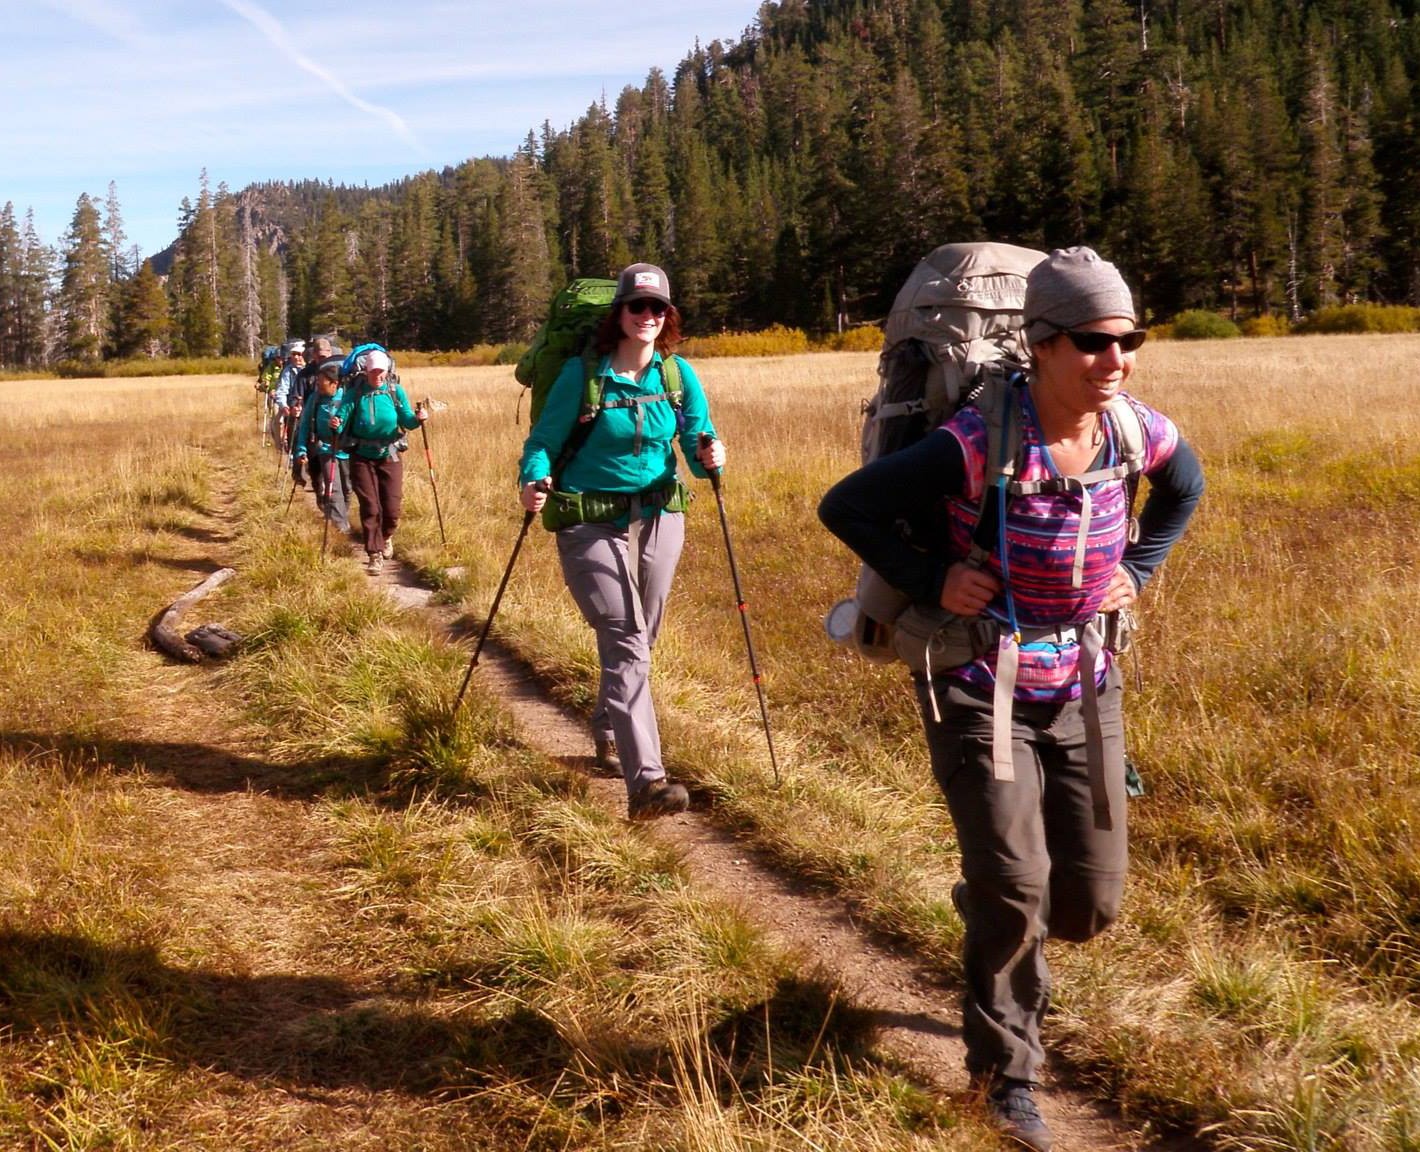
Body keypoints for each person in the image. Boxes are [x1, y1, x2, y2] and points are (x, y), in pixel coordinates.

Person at [818, 247, 1203, 1152]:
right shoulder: (977, 439)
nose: (1116, 360)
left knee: (1090, 905)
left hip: (1085, 684)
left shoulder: (1131, 430)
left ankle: (997, 901)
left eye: (1129, 340)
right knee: (1019, 886)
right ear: (1040, 345)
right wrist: (932, 575)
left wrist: (1137, 572)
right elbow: (850, 507)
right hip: (977, 684)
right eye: (1093, 343)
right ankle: (1004, 1076)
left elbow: (1186, 487)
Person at [517, 263, 725, 821]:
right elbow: (542, 442)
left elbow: (696, 441)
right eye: (638, 307)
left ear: (669, 317)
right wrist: (532, 481)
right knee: (627, 636)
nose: (648, 318)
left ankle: (610, 724)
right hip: (588, 520)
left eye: (658, 309)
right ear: (619, 315)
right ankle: (647, 784)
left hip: (660, 515)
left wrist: (709, 457)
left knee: (644, 633)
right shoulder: (582, 377)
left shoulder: (676, 376)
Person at [329, 347, 427, 575]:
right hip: (361, 456)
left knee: (392, 508)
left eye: (381, 371)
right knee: (370, 506)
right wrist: (336, 424)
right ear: (366, 371)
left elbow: (407, 421)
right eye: (373, 371)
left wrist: (419, 419)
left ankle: (387, 536)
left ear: (387, 371)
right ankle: (374, 554)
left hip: (390, 454)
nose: (377, 375)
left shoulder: (395, 391)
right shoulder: (354, 393)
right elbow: (342, 417)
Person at [293, 358, 352, 536]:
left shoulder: (348, 397)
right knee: (333, 488)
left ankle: (341, 517)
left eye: (321, 382)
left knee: (348, 488)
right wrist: (301, 449)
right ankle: (341, 528)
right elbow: (304, 425)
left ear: (334, 383)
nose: (317, 385)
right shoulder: (315, 398)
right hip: (325, 448)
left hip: (347, 450)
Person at [273, 341, 306, 474]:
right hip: (292, 408)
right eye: (294, 354)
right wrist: (284, 406)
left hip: (307, 407)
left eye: (299, 354)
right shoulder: (288, 371)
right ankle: (292, 458)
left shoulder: (310, 369)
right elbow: (282, 390)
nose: (297, 357)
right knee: (290, 431)